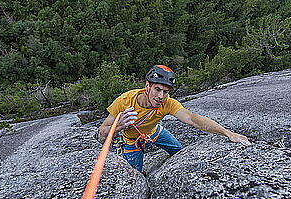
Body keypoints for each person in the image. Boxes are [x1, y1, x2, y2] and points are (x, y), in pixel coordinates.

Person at [98, 64, 250, 173]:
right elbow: (102, 132)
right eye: (157, 89)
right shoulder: (124, 101)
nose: (160, 97)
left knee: (178, 151)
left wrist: (228, 133)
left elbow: (192, 119)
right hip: (132, 141)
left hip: (154, 132)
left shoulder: (168, 103)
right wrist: (120, 126)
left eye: (165, 92)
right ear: (147, 86)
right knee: (134, 177)